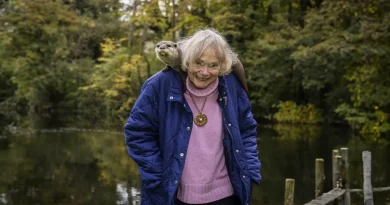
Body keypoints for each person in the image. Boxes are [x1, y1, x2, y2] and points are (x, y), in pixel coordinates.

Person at [124, 28, 261, 205]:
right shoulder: (160, 85)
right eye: (198, 63)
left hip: (227, 196)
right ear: (187, 60)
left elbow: (247, 130)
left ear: (222, 66)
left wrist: (250, 171)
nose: (204, 72)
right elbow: (137, 133)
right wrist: (159, 175)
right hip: (173, 196)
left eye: (213, 65)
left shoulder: (231, 86)